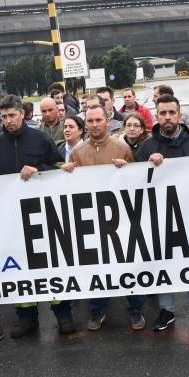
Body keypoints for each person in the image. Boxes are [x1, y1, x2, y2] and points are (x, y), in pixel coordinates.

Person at [0, 95, 74, 337]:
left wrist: (38, 170)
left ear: (22, 114)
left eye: (12, 115)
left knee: (51, 265)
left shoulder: (40, 138)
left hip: (42, 216)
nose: (8, 121)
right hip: (11, 218)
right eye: (3, 117)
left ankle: (63, 313)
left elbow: (58, 169)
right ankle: (26, 317)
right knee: (19, 267)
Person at [135, 95, 189, 331]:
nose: (167, 117)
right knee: (164, 263)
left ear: (179, 115)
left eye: (171, 113)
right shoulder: (147, 147)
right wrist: (148, 166)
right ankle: (167, 308)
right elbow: (135, 184)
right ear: (156, 117)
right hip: (161, 217)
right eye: (162, 113)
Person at [61, 105, 139, 331]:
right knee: (97, 266)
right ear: (86, 124)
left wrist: (125, 168)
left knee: (128, 264)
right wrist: (67, 173)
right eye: (90, 121)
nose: (94, 125)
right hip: (92, 220)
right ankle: (97, 310)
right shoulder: (78, 151)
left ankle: (135, 308)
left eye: (98, 120)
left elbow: (136, 182)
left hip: (121, 218)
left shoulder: (122, 147)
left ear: (107, 121)